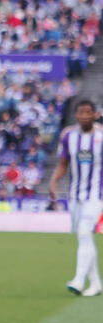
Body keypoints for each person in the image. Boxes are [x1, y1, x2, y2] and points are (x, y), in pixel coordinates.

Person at [49, 99, 103, 296]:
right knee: (85, 238)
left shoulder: (101, 136)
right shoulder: (68, 136)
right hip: (75, 195)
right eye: (81, 113)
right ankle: (96, 283)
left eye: (89, 112)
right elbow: (64, 162)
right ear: (77, 115)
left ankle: (79, 280)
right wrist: (53, 181)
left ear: (95, 114)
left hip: (97, 195)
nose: (85, 116)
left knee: (84, 232)